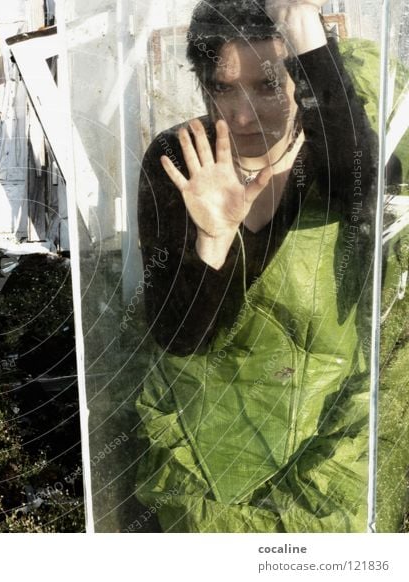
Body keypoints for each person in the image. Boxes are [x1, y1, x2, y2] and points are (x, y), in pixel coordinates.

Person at [135, 0, 377, 532]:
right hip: (209, 417)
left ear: (302, 84)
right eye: (223, 87)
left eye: (268, 86)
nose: (241, 116)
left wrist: (305, 32)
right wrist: (213, 242)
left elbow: (366, 183)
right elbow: (179, 337)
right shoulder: (179, 160)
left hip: (328, 417)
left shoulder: (332, 154)